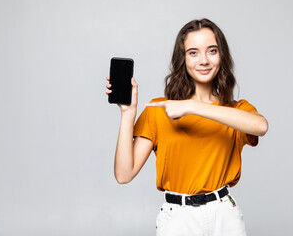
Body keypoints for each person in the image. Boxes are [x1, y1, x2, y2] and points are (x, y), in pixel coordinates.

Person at [106, 18, 268, 236]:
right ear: (182, 59)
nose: (203, 60)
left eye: (212, 50)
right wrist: (128, 114)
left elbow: (260, 126)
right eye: (193, 52)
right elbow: (124, 174)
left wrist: (193, 106)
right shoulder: (160, 110)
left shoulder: (235, 110)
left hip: (225, 217)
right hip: (179, 219)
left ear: (222, 56)